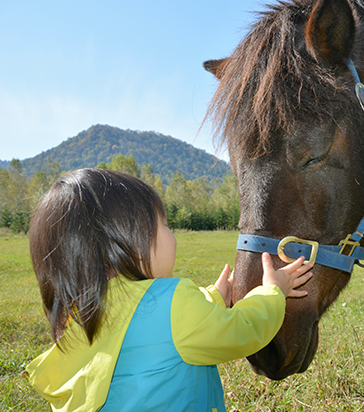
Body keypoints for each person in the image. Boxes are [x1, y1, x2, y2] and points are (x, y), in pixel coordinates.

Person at [26, 168, 313, 412]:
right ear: (129, 242)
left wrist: (212, 297)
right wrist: (272, 291)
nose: (172, 236)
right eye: (164, 225)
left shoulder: (80, 316)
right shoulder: (172, 299)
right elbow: (241, 330)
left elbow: (153, 325)